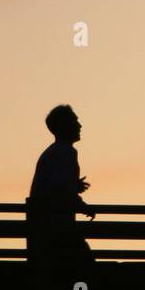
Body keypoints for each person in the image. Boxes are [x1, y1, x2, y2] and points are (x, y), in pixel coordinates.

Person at [26, 104, 96, 276]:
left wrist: (74, 187)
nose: (79, 126)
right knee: (85, 270)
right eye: (75, 121)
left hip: (43, 226)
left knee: (67, 272)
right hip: (57, 227)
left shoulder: (52, 152)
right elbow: (62, 189)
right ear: (65, 126)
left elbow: (56, 186)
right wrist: (82, 205)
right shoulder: (66, 152)